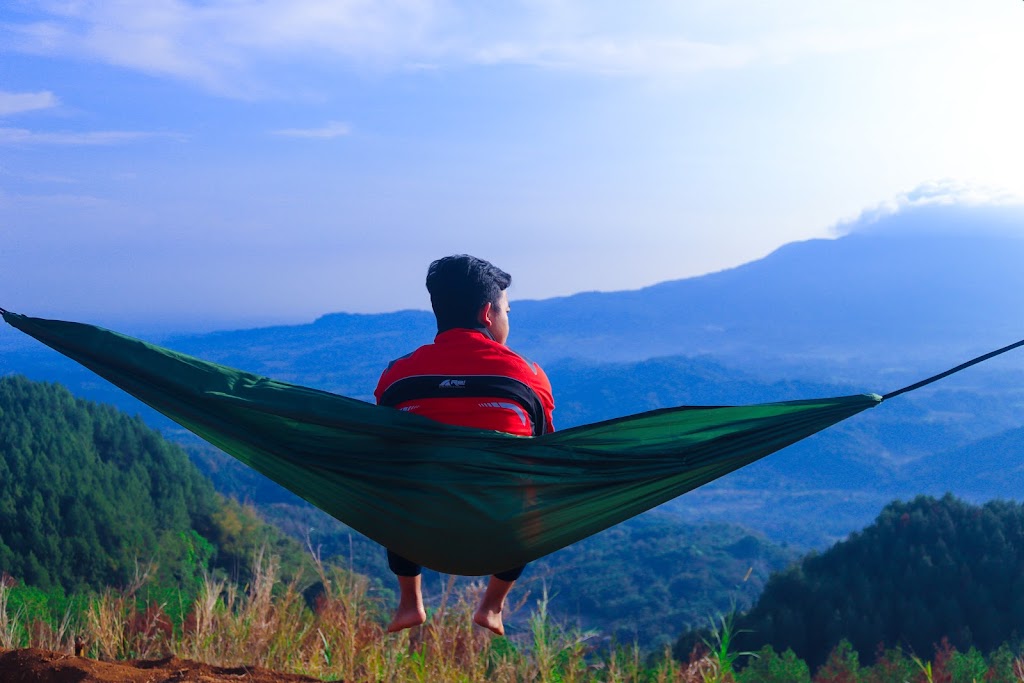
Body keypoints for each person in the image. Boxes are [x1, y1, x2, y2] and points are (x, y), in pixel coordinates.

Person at [374, 254, 555, 635]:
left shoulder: (397, 375)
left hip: (419, 522)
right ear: (488, 314)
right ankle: (492, 606)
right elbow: (544, 454)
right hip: (497, 526)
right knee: (534, 493)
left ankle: (409, 602)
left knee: (394, 482)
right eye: (507, 312)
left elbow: (386, 450)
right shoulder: (528, 375)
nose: (508, 320)